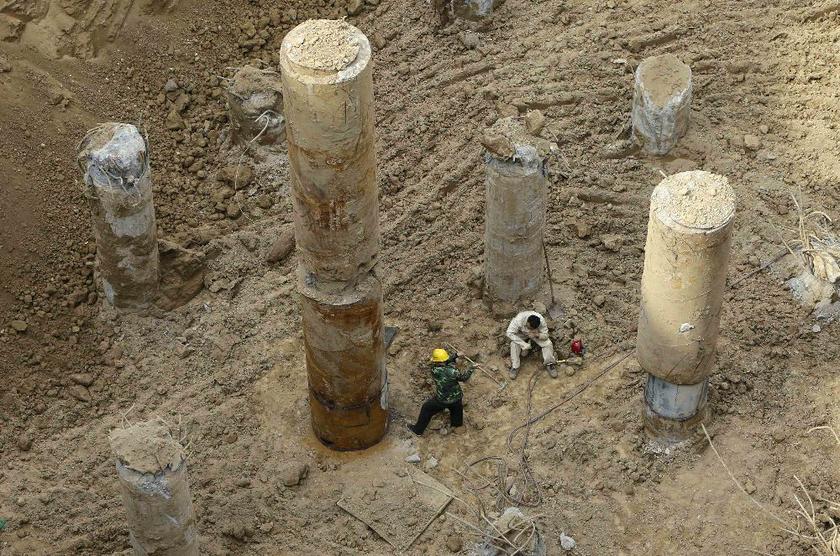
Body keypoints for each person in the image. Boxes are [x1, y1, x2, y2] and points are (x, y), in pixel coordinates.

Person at [408, 348, 473, 435]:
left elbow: (443, 362)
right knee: (456, 408)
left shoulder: (434, 369)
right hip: (456, 397)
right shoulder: (453, 371)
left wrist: (456, 355)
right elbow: (464, 377)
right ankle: (457, 425)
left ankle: (418, 430)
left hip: (442, 399)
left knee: (426, 408)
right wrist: (471, 368)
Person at [506, 311, 557, 379]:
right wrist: (523, 344)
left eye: (531, 328)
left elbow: (546, 335)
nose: (529, 329)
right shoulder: (519, 319)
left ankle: (549, 364)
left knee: (548, 343)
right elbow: (509, 333)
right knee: (514, 344)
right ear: (527, 321)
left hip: (534, 335)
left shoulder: (541, 321)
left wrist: (537, 334)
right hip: (522, 334)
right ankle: (515, 366)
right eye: (528, 327)